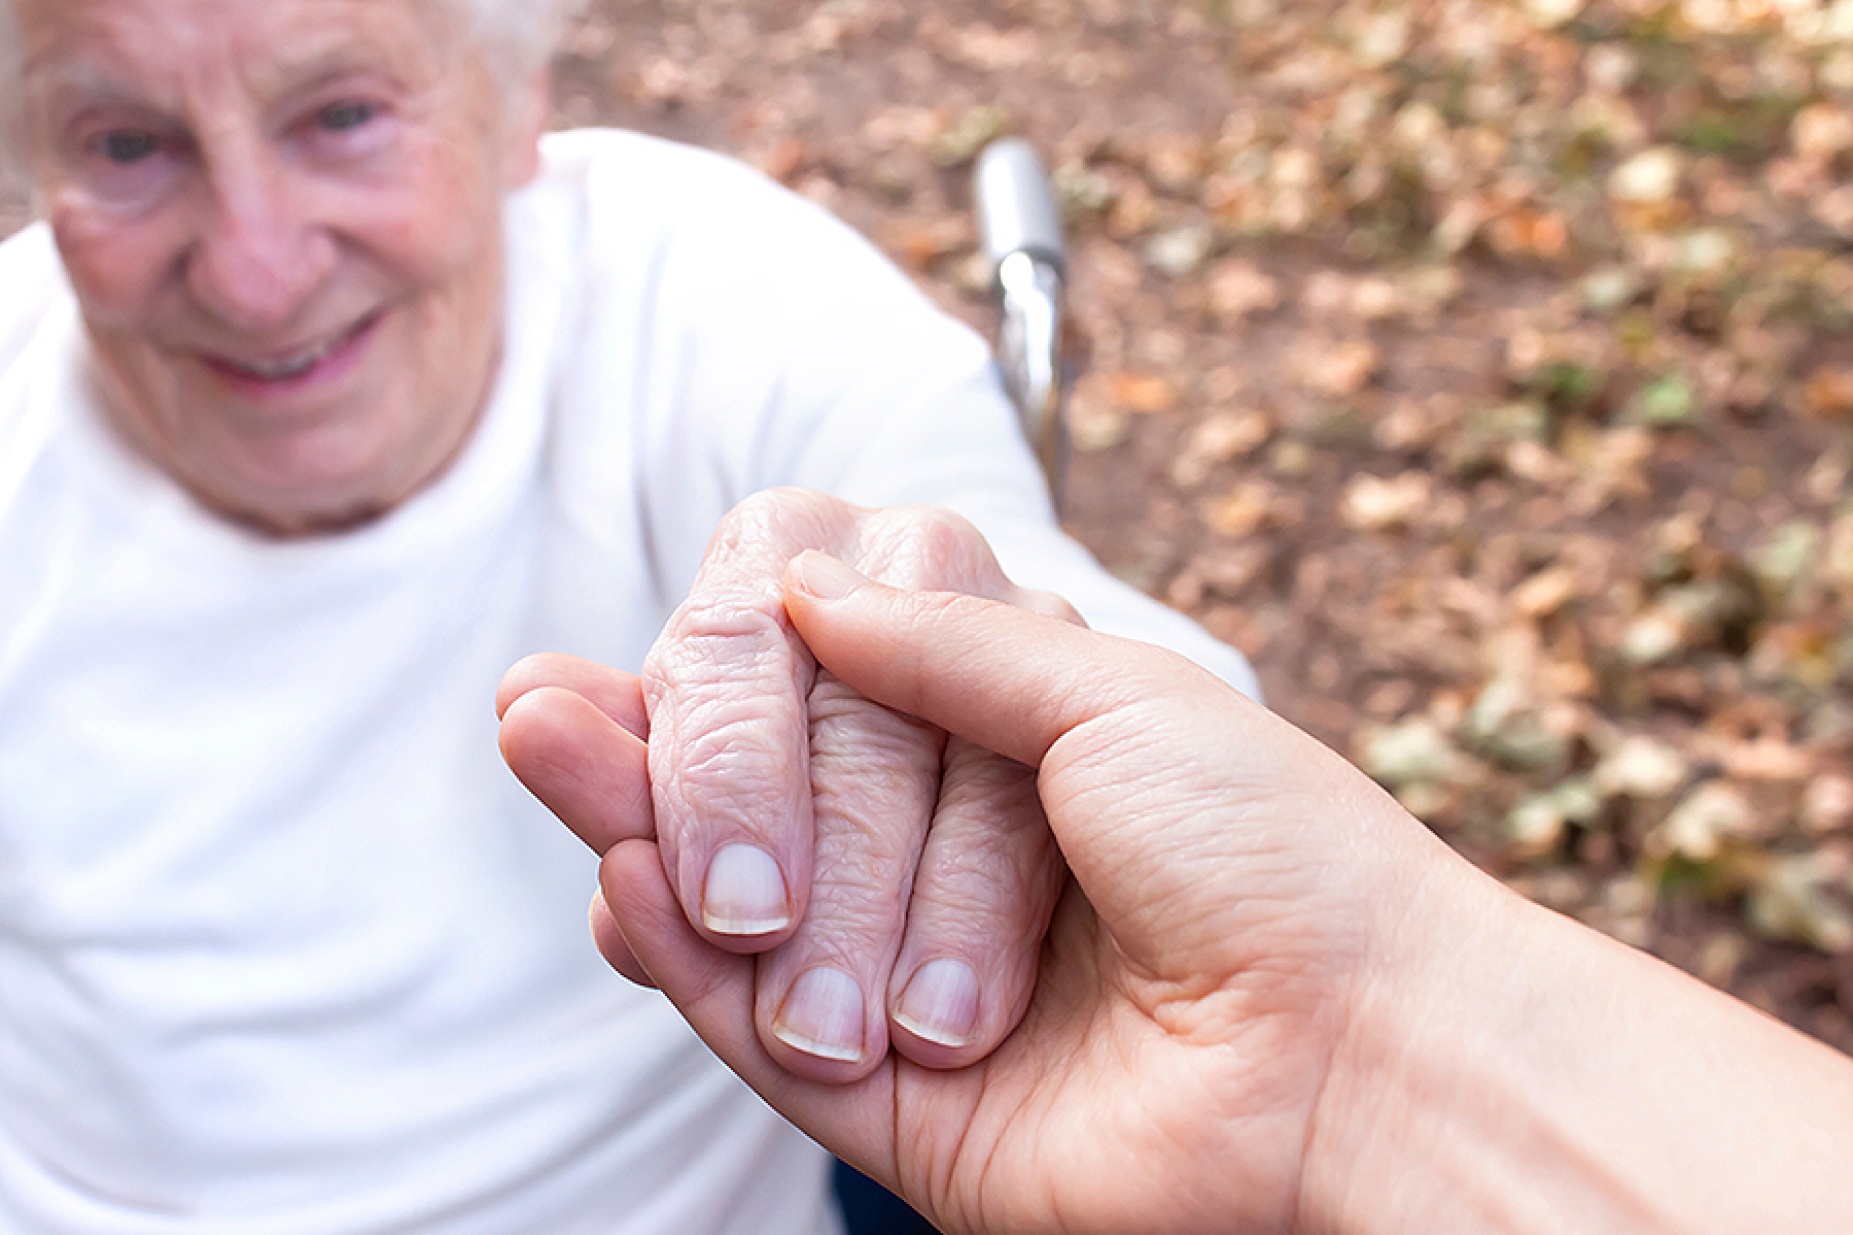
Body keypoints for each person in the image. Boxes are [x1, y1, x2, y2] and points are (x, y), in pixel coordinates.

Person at [0, 0, 1255, 1230]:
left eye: (342, 115)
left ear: (514, 105)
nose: (256, 274)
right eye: (124, 143)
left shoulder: (712, 301)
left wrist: (992, 654)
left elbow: (1058, 604)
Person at [502, 554, 1853, 1235]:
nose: (275, 273)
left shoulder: (684, 260)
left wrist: (1352, 1037)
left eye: (344, 114)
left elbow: (971, 504)